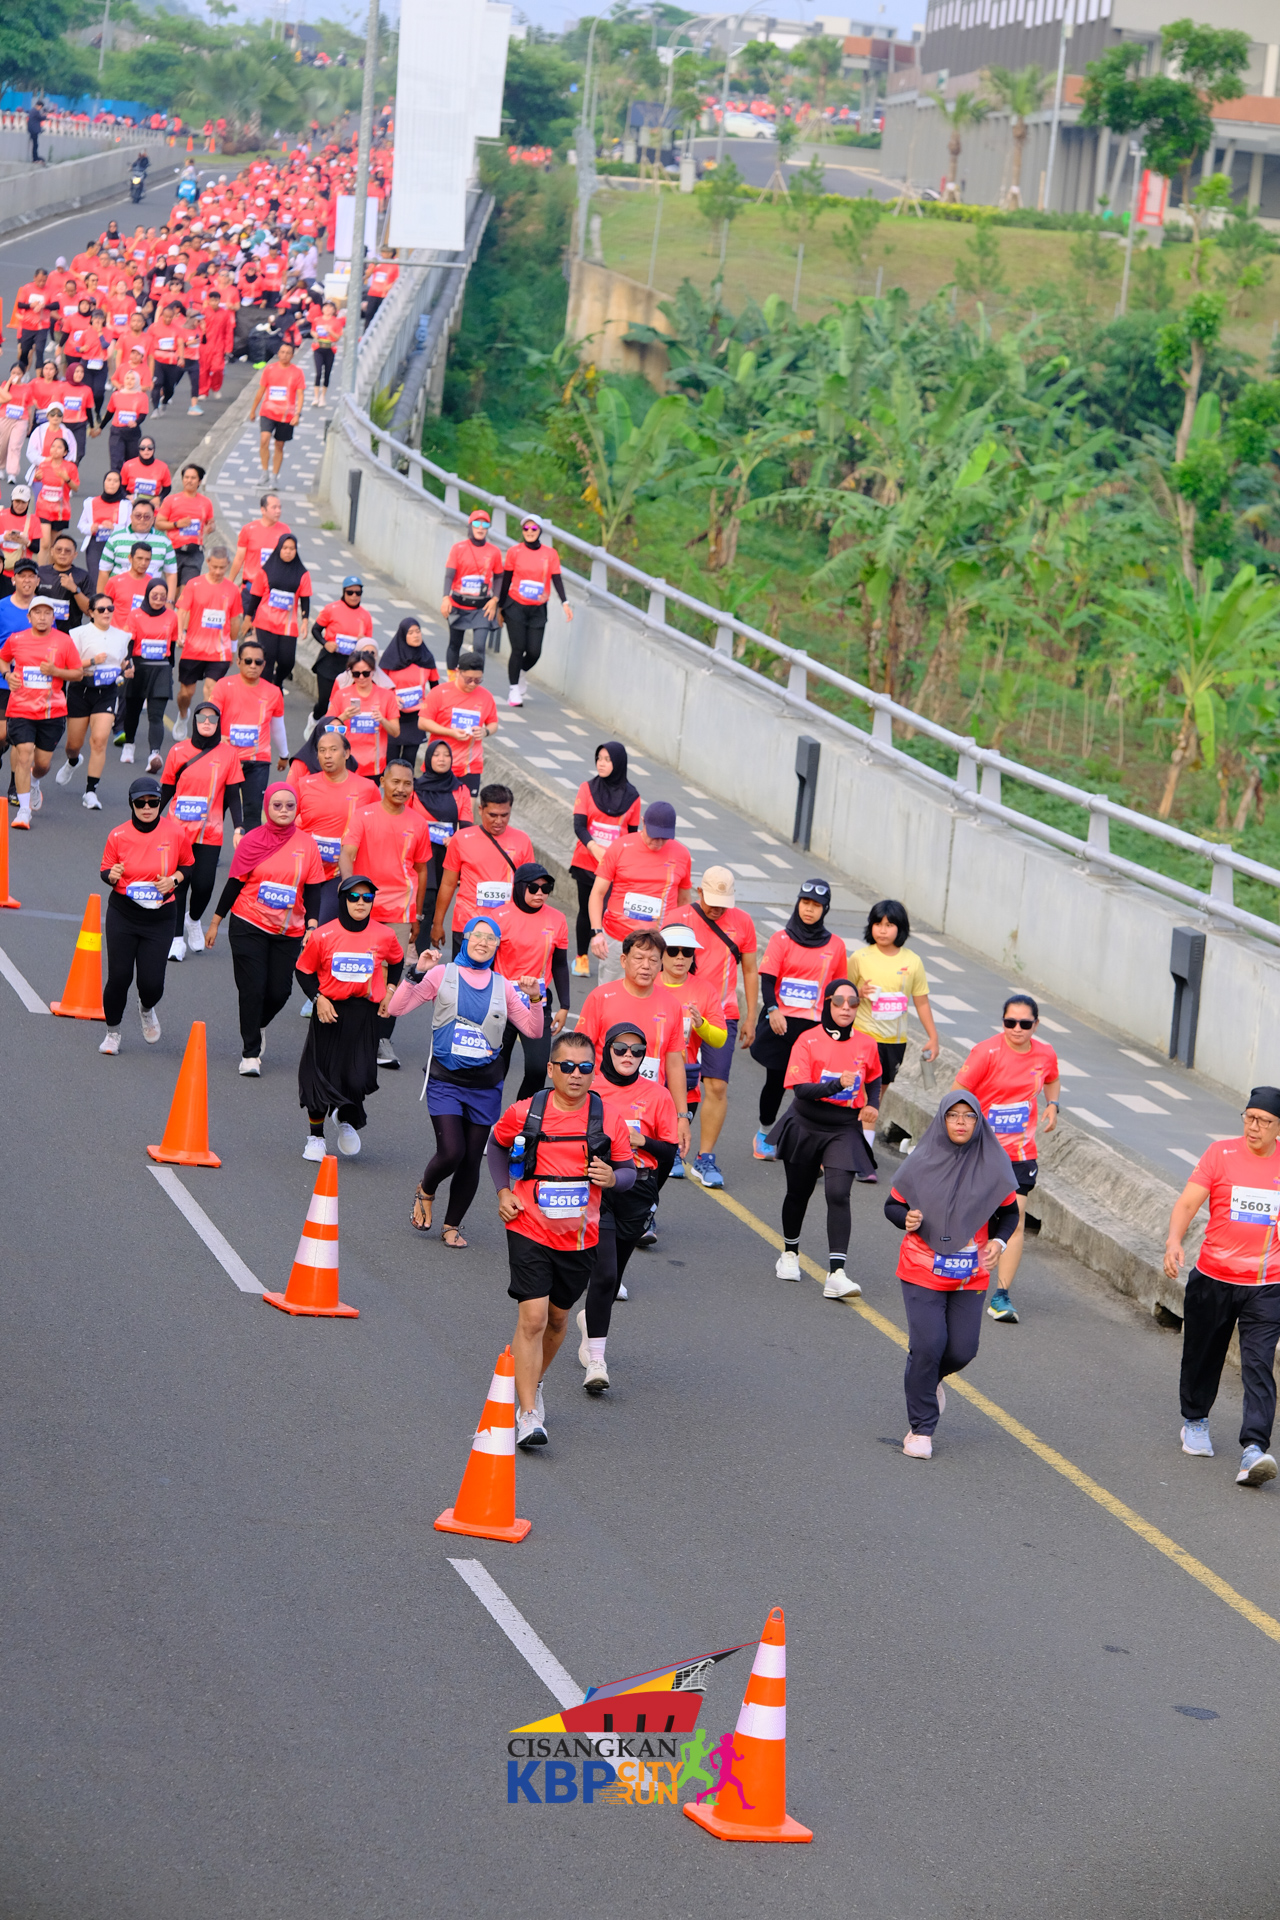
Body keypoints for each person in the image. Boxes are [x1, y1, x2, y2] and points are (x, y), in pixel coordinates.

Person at [488, 1030, 635, 1448]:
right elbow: (497, 1146)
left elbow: (628, 1170)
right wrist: (503, 1192)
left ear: (594, 1071)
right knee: (533, 1318)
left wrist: (613, 1178)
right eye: (567, 1066)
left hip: (579, 1236)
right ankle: (528, 1413)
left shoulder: (608, 1119)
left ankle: (532, 1382)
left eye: (584, 1067)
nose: (576, 1074)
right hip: (528, 1226)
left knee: (556, 1320)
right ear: (551, 1069)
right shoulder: (526, 1112)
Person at [388, 915, 546, 1240]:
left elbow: (533, 1030)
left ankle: (451, 1225)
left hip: (485, 1085)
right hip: (445, 1080)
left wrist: (535, 999)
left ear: (497, 946)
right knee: (452, 1152)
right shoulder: (441, 974)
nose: (483, 943)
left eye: (491, 938)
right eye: (478, 935)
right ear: (467, 938)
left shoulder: (503, 985)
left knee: (472, 1159)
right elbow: (396, 1009)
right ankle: (426, 1189)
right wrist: (415, 972)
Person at [886, 1091, 1020, 1459]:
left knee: (962, 1350)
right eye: (953, 1115)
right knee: (928, 1345)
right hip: (921, 1267)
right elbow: (893, 1205)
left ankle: (928, 1380)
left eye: (969, 1116)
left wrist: (999, 1242)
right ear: (942, 1120)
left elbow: (1010, 1214)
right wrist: (905, 1218)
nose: (961, 1122)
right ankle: (921, 1429)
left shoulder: (993, 1164)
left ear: (979, 1122)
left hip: (969, 1274)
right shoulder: (922, 1160)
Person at [1164, 1088, 1280, 1486]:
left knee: (1259, 1364)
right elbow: (1187, 1203)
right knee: (1203, 1354)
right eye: (1249, 1117)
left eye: (1264, 1121)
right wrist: (1174, 1241)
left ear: (1278, 1127)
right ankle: (1195, 1420)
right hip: (1213, 1277)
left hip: (1266, 1285)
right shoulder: (1221, 1154)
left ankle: (1254, 1449)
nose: (1254, 1127)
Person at [575, 1023, 679, 1394]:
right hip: (598, 1188)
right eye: (621, 1049)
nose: (628, 1056)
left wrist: (642, 1142)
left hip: (637, 1190)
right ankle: (597, 1361)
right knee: (604, 1275)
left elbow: (668, 1152)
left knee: (613, 1275)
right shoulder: (590, 1089)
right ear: (607, 1050)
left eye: (637, 1051)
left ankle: (590, 1321)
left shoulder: (658, 1095)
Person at [769, 981, 884, 1296]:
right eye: (839, 1001)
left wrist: (873, 1103)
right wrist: (837, 1085)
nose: (846, 1007)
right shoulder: (807, 1040)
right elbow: (800, 1089)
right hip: (805, 1123)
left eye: (853, 1002)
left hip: (844, 1127)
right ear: (828, 1003)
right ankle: (789, 1254)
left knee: (838, 1193)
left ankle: (837, 1273)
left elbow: (875, 1076)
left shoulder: (867, 1043)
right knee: (799, 1192)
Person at [953, 994, 1060, 1325]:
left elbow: (1052, 1079)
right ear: (1002, 1022)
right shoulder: (986, 1052)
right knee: (975, 1218)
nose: (1017, 1029)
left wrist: (1053, 1104)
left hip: (1020, 1154)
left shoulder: (1045, 1054)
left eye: (1025, 1024)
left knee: (1015, 1220)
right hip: (980, 1151)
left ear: (1036, 1025)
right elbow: (957, 1094)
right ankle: (963, 1277)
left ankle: (1001, 1295)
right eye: (1010, 1022)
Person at [206, 782, 324, 1075]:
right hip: (249, 923)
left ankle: (256, 1025)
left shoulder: (307, 844)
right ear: (267, 808)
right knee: (253, 988)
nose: (284, 811)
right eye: (277, 805)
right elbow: (234, 883)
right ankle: (250, 1053)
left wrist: (312, 926)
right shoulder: (252, 841)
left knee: (279, 992)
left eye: (290, 806)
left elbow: (313, 889)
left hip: (288, 931)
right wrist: (215, 922)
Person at [295, 873, 405, 1160]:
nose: (361, 902)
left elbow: (397, 961)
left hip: (364, 1013)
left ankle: (345, 1118)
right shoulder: (323, 935)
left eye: (367, 897)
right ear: (343, 900)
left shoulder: (384, 935)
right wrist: (318, 999)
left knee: (357, 1077)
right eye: (354, 897)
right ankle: (316, 1137)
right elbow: (303, 971)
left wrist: (390, 992)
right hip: (329, 1011)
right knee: (320, 1075)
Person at [339, 760, 434, 1067]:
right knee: (357, 970)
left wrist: (417, 915)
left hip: (399, 911)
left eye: (407, 783)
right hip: (363, 906)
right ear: (382, 781)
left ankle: (381, 1038)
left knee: (390, 974)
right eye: (395, 782)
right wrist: (350, 890)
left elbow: (421, 870)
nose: (401, 788)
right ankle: (350, 1030)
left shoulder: (418, 823)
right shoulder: (363, 815)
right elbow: (347, 854)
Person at [673, 865, 758, 1191]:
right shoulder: (678, 918)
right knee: (675, 1081)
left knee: (717, 1086)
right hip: (680, 1012)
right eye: (712, 901)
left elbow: (749, 970)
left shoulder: (743, 923)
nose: (717, 909)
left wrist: (751, 1016)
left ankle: (705, 1157)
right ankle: (671, 1148)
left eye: (723, 903)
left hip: (722, 1013)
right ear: (699, 892)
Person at [750, 879, 848, 1161]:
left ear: (825, 909)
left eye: (816, 905)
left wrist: (836, 1025)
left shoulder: (836, 945)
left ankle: (808, 1142)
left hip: (816, 1026)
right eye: (805, 903)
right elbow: (768, 979)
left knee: (811, 1088)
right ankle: (764, 1133)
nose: (809, 909)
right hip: (781, 1022)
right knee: (776, 1082)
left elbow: (838, 988)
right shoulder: (781, 939)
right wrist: (773, 1010)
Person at [98, 776, 195, 1054]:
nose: (147, 808)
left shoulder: (175, 833)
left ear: (160, 803)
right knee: (119, 977)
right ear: (131, 804)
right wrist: (112, 875)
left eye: (153, 802)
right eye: (140, 803)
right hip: (123, 913)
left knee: (151, 984)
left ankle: (146, 1007)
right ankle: (112, 1033)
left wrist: (174, 880)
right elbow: (105, 870)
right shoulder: (118, 835)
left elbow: (188, 865)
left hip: (161, 916)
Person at [576, 930, 691, 1158]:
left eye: (653, 960)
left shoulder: (671, 1005)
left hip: (650, 1109)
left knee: (648, 1171)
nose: (646, 966)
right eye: (639, 958)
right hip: (604, 1105)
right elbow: (580, 1054)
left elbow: (674, 1062)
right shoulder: (601, 997)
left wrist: (682, 1116)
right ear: (624, 960)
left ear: (661, 964)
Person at [160, 699, 245, 958]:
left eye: (212, 718)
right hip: (178, 831)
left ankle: (193, 919)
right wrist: (149, 820)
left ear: (219, 722)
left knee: (204, 885)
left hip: (210, 833)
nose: (207, 722)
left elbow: (233, 795)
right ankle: (176, 940)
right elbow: (166, 790)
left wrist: (239, 827)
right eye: (201, 718)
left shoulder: (229, 754)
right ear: (195, 721)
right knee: (178, 884)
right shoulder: (178, 751)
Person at [587, 799, 693, 985]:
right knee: (612, 994)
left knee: (654, 997)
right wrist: (596, 933)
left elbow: (684, 901)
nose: (658, 842)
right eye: (654, 836)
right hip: (618, 938)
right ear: (643, 822)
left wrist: (681, 939)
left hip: (660, 942)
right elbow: (597, 893)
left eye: (664, 838)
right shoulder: (620, 847)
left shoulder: (682, 854)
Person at [0, 594, 83, 828]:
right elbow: (3, 658)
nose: (42, 617)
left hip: (52, 711)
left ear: (53, 617)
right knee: (23, 754)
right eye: (37, 612)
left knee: (42, 764)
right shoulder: (16, 640)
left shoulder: (64, 641)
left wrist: (56, 671)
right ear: (29, 617)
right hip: (20, 708)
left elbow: (78, 673)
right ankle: (24, 811)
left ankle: (35, 781)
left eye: (47, 613)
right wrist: (7, 674)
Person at [852, 900, 941, 1112]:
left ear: (900, 928)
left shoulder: (913, 961)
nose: (882, 930)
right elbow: (840, 994)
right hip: (863, 1037)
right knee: (858, 1092)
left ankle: (865, 1132)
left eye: (889, 925)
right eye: (878, 924)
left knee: (876, 1098)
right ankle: (850, 1130)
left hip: (894, 1041)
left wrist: (933, 1037)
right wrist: (859, 993)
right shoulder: (859, 958)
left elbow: (921, 1001)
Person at [492, 863, 571, 1099]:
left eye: (546, 888)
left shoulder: (557, 919)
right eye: (534, 888)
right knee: (495, 1069)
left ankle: (521, 1113)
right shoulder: (498, 917)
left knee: (538, 1068)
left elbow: (559, 964)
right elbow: (485, 963)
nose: (540, 893)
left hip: (536, 1003)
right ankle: (487, 1116)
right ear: (519, 887)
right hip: (501, 1002)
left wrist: (565, 1005)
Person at [656, 922, 727, 1178]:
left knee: (665, 1154)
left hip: (683, 1081)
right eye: (673, 951)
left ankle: (674, 1151)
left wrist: (701, 1025)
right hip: (647, 1076)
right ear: (661, 953)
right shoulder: (647, 982)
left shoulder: (704, 990)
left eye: (687, 952)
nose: (680, 957)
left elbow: (719, 1039)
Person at [429, 782, 534, 956]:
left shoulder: (522, 840)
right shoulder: (461, 839)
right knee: (465, 973)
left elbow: (529, 888)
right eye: (492, 815)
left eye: (504, 815)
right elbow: (448, 884)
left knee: (501, 975)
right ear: (480, 810)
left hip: (507, 927)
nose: (499, 821)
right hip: (468, 925)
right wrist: (438, 923)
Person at [294, 724, 380, 922]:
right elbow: (286, 823)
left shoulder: (367, 788)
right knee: (298, 927)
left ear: (347, 753)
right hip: (305, 870)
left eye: (333, 749)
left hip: (340, 874)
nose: (327, 755)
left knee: (320, 924)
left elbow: (377, 828)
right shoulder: (304, 785)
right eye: (322, 750)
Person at [570, 741, 641, 975]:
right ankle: (581, 958)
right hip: (586, 860)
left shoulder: (633, 797)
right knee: (585, 910)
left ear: (618, 763)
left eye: (607, 760)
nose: (601, 763)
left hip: (616, 867)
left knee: (608, 911)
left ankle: (609, 959)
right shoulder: (587, 789)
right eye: (599, 758)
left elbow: (632, 834)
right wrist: (595, 848)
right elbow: (579, 825)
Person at [489, 512, 573, 708]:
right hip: (515, 606)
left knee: (534, 651)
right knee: (518, 648)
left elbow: (556, 579)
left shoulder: (550, 554)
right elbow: (506, 580)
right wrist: (500, 607)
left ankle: (521, 673)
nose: (529, 531)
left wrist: (565, 602)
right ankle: (513, 691)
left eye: (533, 528)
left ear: (540, 531)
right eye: (526, 528)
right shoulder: (514, 552)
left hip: (538, 609)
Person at [57, 590, 130, 808]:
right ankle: (73, 761)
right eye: (101, 609)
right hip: (81, 690)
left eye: (110, 608)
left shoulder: (122, 636)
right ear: (91, 612)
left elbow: (123, 662)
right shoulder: (78, 633)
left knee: (99, 741)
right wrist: (92, 661)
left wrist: (127, 668)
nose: (106, 612)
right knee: (73, 745)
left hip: (107, 692)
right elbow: (68, 665)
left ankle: (90, 792)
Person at [208, 636, 287, 828]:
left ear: (264, 665)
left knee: (253, 811)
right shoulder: (223, 686)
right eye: (248, 661)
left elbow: (277, 726)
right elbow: (209, 718)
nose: (253, 666)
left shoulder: (274, 692)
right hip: (226, 759)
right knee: (216, 811)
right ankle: (209, 848)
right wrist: (216, 738)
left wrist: (284, 754)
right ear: (238, 662)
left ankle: (250, 848)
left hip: (257, 761)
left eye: (258, 662)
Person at [411, 737, 474, 933]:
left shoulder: (460, 789)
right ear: (428, 758)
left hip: (446, 854)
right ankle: (418, 944)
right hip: (420, 853)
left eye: (447, 755)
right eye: (437, 755)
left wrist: (456, 838)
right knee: (426, 898)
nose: (442, 759)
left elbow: (466, 826)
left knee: (437, 899)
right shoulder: (414, 788)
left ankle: (427, 937)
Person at [174, 544, 240, 729]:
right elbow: (182, 611)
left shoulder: (232, 590)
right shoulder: (194, 585)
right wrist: (180, 633)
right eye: (214, 566)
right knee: (186, 693)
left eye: (222, 567)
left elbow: (235, 621)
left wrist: (233, 648)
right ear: (208, 562)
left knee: (211, 690)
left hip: (220, 651)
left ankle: (203, 729)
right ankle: (183, 715)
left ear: (228, 565)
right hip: (193, 648)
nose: (218, 571)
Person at [419, 648, 498, 795]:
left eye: (478, 680)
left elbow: (493, 723)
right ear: (457, 672)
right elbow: (423, 722)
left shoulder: (486, 697)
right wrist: (450, 732)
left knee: (468, 807)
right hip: (440, 762)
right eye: (468, 679)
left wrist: (485, 731)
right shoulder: (439, 693)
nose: (473, 684)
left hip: (470, 764)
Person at [121, 577, 177, 773]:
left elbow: (172, 644)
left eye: (163, 596)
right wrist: (128, 664)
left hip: (161, 668)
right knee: (133, 711)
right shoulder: (135, 615)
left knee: (156, 715)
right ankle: (129, 744)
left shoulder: (172, 616)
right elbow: (129, 643)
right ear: (147, 594)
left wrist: (171, 668)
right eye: (155, 595)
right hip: (139, 667)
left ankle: (154, 754)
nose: (159, 599)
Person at [440, 507, 504, 676]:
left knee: (479, 646)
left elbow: (499, 577)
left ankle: (475, 680)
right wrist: (445, 597)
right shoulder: (458, 548)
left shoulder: (494, 551)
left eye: (485, 524)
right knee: (455, 643)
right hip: (458, 604)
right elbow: (449, 575)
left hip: (482, 608)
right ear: (470, 526)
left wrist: (495, 599)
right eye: (477, 524)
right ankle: (452, 679)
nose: (481, 528)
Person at [244, 532, 310, 690]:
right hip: (265, 622)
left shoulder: (303, 573)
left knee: (287, 661)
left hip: (287, 625)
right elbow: (256, 595)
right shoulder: (265, 570)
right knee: (268, 659)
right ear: (279, 548)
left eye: (292, 549)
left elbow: (305, 598)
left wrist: (305, 621)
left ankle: (278, 680)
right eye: (285, 548)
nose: (288, 551)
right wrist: (248, 618)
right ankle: (266, 692)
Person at [324, 646, 398, 778]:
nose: (361, 677)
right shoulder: (341, 695)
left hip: (374, 766)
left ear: (373, 671)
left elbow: (396, 732)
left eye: (366, 673)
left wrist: (382, 720)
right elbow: (326, 728)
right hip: (346, 763)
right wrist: (343, 717)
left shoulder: (386, 696)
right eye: (356, 674)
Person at [309, 575, 371, 724]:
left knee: (345, 703)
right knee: (324, 701)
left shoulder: (365, 616)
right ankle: (314, 720)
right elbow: (315, 630)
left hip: (351, 665)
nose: (354, 596)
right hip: (329, 661)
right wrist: (325, 643)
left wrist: (363, 642)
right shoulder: (331, 609)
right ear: (343, 592)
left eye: (358, 593)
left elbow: (369, 646)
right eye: (350, 592)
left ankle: (336, 730)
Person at [380, 616, 439, 769]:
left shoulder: (427, 658)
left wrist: (431, 708)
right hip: (393, 716)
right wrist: (392, 697)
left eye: (418, 631)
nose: (416, 635)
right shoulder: (390, 658)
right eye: (411, 632)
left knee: (409, 760)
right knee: (391, 761)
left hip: (415, 717)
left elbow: (435, 688)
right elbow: (379, 686)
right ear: (403, 635)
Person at [248, 338, 305, 478]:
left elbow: (300, 395)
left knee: (279, 445)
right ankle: (264, 472)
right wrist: (253, 410)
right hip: (267, 412)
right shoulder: (269, 369)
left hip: (286, 415)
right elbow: (261, 391)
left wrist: (297, 414)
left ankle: (274, 475)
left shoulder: (297, 372)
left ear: (292, 355)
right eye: (282, 352)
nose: (284, 355)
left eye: (288, 353)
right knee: (264, 439)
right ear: (278, 353)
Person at [158, 461, 215, 591]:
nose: (189, 481)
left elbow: (211, 523)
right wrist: (176, 524)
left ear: (199, 481)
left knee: (188, 589)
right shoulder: (171, 500)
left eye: (193, 478)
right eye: (186, 477)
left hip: (194, 551)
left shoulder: (206, 502)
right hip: (173, 550)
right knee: (173, 591)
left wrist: (210, 528)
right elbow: (159, 523)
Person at [230, 492, 289, 585]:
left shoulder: (285, 530)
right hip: (251, 584)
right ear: (263, 510)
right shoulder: (248, 529)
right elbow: (239, 558)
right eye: (274, 508)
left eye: (279, 507)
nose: (278, 511)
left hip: (273, 585)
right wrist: (230, 582)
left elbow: (288, 559)